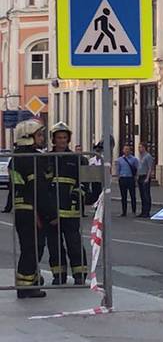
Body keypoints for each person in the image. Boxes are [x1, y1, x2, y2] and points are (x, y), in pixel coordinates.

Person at [10, 119, 57, 298]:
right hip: (32, 210)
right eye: (38, 135)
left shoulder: (18, 157)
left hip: (23, 209)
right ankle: (26, 287)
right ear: (27, 137)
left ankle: (31, 281)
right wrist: (51, 213)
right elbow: (39, 190)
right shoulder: (32, 159)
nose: (42, 138)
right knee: (33, 248)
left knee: (29, 247)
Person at [46, 122, 89, 285]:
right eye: (59, 138)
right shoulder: (45, 159)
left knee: (74, 244)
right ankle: (59, 275)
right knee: (54, 246)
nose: (62, 141)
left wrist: (76, 199)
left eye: (64, 137)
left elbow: (84, 185)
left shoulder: (76, 159)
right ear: (53, 140)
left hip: (71, 211)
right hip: (51, 211)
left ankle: (79, 275)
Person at [116, 144, 139, 217]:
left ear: (130, 150)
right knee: (123, 196)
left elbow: (137, 169)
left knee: (133, 195)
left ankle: (133, 211)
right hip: (123, 178)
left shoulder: (134, 159)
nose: (126, 151)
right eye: (125, 149)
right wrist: (118, 177)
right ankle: (124, 211)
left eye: (128, 149)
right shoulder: (119, 160)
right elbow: (117, 169)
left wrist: (136, 178)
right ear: (123, 150)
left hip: (130, 178)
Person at [136, 143, 154, 218]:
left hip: (145, 177)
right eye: (138, 147)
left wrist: (147, 178)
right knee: (142, 195)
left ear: (144, 148)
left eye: (140, 147)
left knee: (146, 194)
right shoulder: (140, 156)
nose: (139, 149)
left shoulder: (148, 156)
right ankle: (143, 211)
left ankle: (147, 211)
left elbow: (150, 168)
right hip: (140, 176)